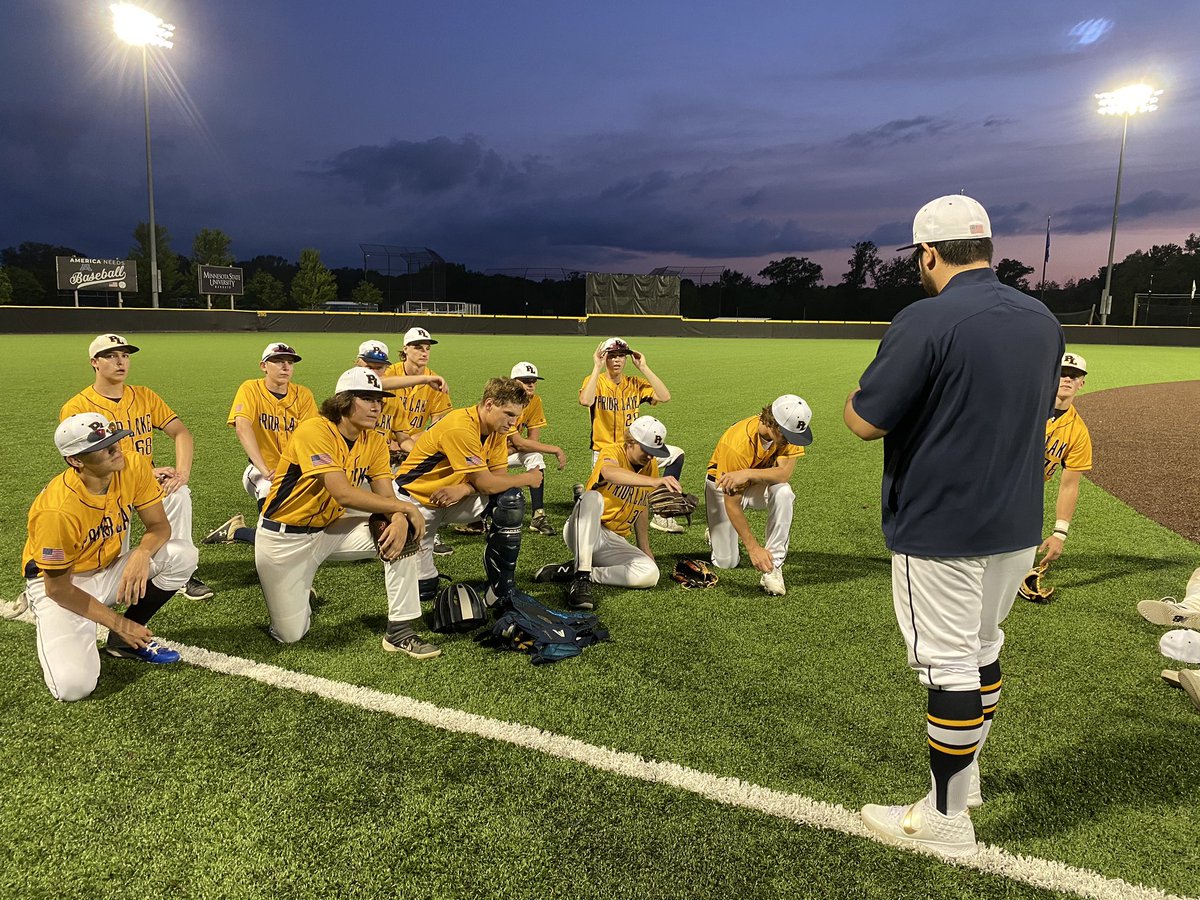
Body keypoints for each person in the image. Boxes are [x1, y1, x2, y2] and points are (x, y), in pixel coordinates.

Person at [843, 194, 1063, 857]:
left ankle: (946, 819)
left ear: (928, 253)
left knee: (950, 669)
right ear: (987, 247)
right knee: (983, 647)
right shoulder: (1042, 317)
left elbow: (865, 421)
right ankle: (964, 784)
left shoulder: (927, 317)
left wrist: (853, 399)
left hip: (942, 523)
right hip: (1016, 519)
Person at [254, 367, 436, 658]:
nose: (377, 407)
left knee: (403, 534)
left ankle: (400, 631)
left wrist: (399, 518)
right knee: (290, 635)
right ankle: (298, 590)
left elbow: (386, 496)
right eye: (367, 399)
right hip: (283, 541)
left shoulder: (373, 441)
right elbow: (343, 493)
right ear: (343, 402)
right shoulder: (314, 430)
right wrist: (404, 507)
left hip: (329, 531)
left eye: (379, 400)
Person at [22, 414, 199, 701]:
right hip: (61, 586)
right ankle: (69, 619)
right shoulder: (56, 511)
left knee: (182, 555)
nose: (117, 450)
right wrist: (117, 622)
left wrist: (141, 553)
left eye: (115, 440)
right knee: (74, 687)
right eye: (103, 447)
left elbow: (159, 527)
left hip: (105, 569)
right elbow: (58, 588)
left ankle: (122, 643)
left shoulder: (132, 465)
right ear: (76, 460)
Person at [61, 334, 213, 601]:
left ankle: (181, 574)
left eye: (125, 355)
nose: (120, 362)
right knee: (111, 567)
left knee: (177, 493)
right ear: (94, 362)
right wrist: (141, 471)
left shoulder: (144, 396)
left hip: (144, 483)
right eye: (111, 356)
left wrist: (181, 473)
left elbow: (181, 433)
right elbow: (85, 461)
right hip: (105, 489)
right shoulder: (77, 407)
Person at [392, 377, 542, 606]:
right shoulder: (461, 426)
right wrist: (528, 477)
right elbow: (487, 484)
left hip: (453, 496)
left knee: (509, 499)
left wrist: (464, 488)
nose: (513, 423)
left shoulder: (497, 430)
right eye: (509, 414)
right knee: (424, 589)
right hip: (414, 501)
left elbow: (498, 479)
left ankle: (501, 586)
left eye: (516, 416)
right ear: (489, 404)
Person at [535, 416, 681, 611]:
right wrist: (655, 482)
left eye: (654, 452)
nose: (650, 456)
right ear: (631, 442)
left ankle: (579, 572)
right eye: (647, 450)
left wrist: (645, 548)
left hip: (613, 541)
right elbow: (610, 472)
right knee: (591, 497)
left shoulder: (650, 465)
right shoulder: (612, 451)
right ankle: (581, 581)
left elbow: (641, 505)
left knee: (650, 573)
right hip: (583, 530)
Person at [203, 341, 318, 545]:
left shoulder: (303, 395)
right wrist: (264, 470)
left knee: (301, 532)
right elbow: (242, 427)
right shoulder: (251, 389)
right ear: (263, 366)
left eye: (290, 362)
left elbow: (311, 437)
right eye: (278, 361)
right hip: (261, 472)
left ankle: (235, 530)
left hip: (296, 472)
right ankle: (240, 533)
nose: (285, 367)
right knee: (270, 510)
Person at [706, 395, 812, 596]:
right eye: (788, 435)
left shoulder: (787, 430)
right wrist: (753, 548)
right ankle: (714, 530)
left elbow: (783, 474)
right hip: (721, 488)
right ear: (774, 424)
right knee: (726, 562)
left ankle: (774, 567)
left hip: (754, 484)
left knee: (783, 491)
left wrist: (747, 473)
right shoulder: (737, 444)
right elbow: (732, 503)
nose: (791, 440)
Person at [356, 338, 453, 556]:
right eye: (368, 367)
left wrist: (427, 454)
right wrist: (426, 378)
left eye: (379, 368)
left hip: (379, 469)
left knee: (412, 486)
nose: (373, 374)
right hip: (353, 471)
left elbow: (404, 439)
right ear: (357, 364)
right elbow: (376, 384)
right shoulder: (349, 391)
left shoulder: (393, 400)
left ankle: (423, 533)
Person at [578, 337, 685, 533]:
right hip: (606, 452)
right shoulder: (595, 381)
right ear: (604, 358)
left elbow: (664, 396)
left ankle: (662, 516)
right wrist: (596, 367)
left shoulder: (634, 383)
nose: (617, 360)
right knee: (609, 507)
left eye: (621, 356)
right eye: (612, 356)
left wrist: (644, 367)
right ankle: (583, 499)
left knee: (676, 454)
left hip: (635, 450)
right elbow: (586, 400)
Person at [1036, 351, 1093, 567]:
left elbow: (1069, 485)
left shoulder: (1078, 432)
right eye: (1062, 373)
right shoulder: (1028, 406)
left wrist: (1060, 533)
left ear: (1081, 383)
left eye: (1074, 375)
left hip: (1028, 495)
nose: (1068, 379)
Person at [506, 361, 567, 537]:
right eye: (525, 381)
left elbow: (531, 441)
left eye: (533, 380)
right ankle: (477, 519)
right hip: (486, 456)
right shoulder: (504, 402)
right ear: (513, 383)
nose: (531, 384)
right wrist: (555, 449)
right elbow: (521, 443)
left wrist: (516, 447)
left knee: (535, 455)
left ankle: (538, 515)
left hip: (509, 452)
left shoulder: (534, 401)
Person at [381, 326, 452, 445]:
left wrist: (419, 439)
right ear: (405, 349)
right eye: (418, 348)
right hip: (383, 441)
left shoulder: (436, 383)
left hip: (414, 443)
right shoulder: (390, 373)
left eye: (427, 348)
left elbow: (439, 424)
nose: (424, 353)